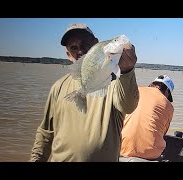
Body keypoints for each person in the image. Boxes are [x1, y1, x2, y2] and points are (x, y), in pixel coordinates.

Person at [30, 23, 139, 162]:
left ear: (96, 45)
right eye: (74, 48)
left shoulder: (114, 80)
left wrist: (127, 70)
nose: (80, 50)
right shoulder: (58, 87)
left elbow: (129, 106)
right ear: (68, 55)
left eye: (85, 44)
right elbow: (45, 133)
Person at [119, 75, 174, 162]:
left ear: (152, 84)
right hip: (150, 154)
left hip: (121, 147)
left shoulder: (136, 90)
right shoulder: (168, 106)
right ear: (167, 90)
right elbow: (163, 132)